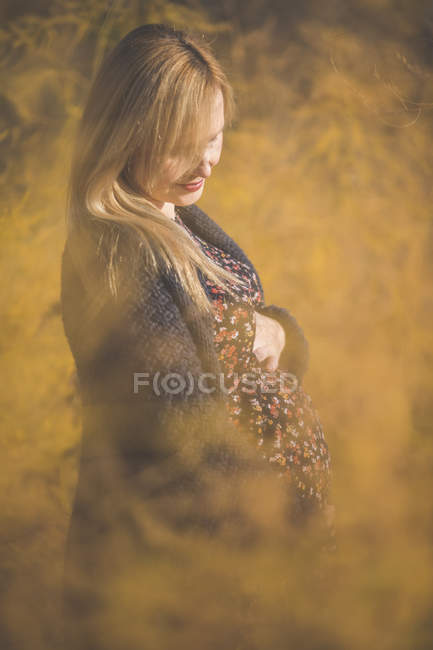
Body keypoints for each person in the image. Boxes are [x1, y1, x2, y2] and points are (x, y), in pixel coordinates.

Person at [60, 23, 335, 650]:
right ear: (125, 136)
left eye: (214, 138)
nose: (206, 160)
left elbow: (238, 320)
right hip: (184, 571)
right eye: (183, 145)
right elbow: (172, 421)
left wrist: (279, 330)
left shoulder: (173, 214)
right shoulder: (117, 252)